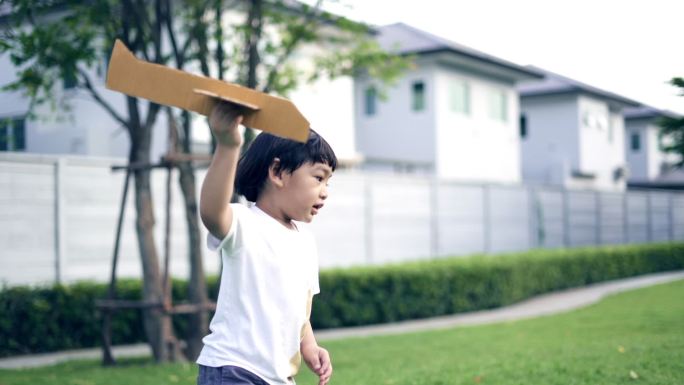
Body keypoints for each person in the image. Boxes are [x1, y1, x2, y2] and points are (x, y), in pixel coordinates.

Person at [196, 102, 336, 385]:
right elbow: (211, 212)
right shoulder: (245, 223)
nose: (325, 192)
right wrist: (227, 145)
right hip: (234, 369)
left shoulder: (305, 242)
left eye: (328, 182)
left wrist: (309, 346)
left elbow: (298, 308)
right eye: (319, 178)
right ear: (278, 172)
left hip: (277, 377)